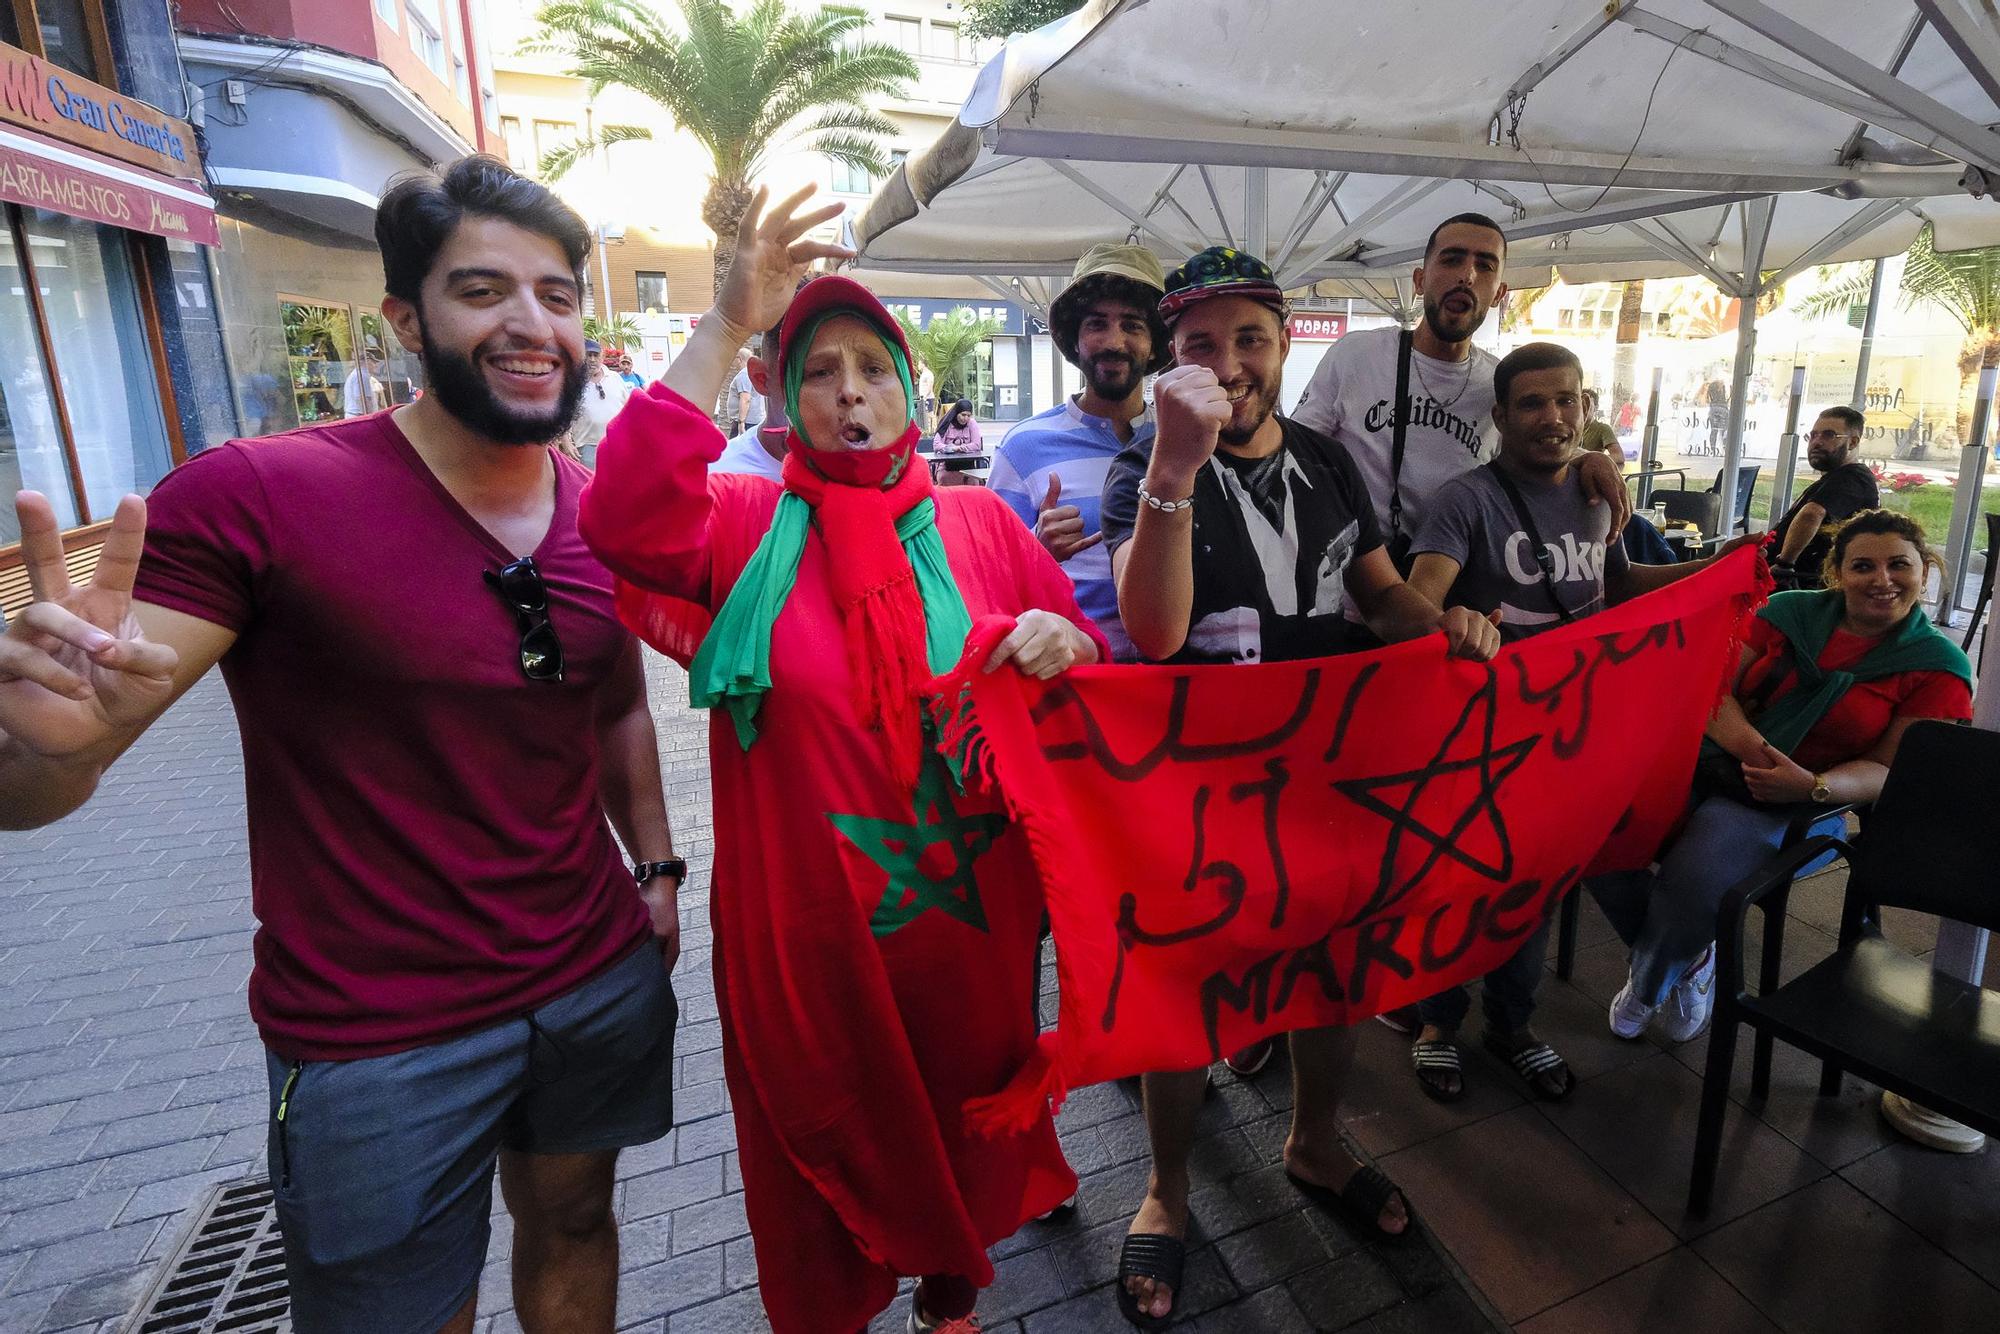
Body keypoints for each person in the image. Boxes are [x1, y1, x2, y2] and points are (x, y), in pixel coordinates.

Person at [0, 155, 681, 1334]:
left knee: (575, 1226)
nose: (531, 324)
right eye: (483, 290)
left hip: (590, 979)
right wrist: (46, 745)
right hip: (377, 1035)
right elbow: (46, 776)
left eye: (558, 295)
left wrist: (658, 869)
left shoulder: (593, 509)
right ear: (405, 318)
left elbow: (615, 703)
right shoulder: (258, 496)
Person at [578, 185, 1103, 1334]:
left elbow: (1080, 672)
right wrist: (722, 325)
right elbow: (618, 517)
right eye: (820, 368)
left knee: (962, 1118)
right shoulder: (736, 526)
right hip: (806, 934)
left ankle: (951, 1299)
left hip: (969, 930)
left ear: (908, 390)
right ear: (782, 392)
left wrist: (1068, 638)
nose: (851, 391)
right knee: (812, 1143)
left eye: (873, 366)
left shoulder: (984, 528)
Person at [1100, 245, 1501, 1329]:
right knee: (1189, 994)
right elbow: (1155, 632)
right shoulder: (1141, 466)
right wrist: (1174, 470)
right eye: (1196, 345)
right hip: (1198, 793)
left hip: (1332, 780)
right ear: (1165, 358)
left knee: (1336, 972)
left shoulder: (1327, 461)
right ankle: (1166, 1188)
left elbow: (1375, 593)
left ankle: (1314, 1141)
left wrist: (1447, 625)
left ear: (1282, 349)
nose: (1226, 364)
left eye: (1248, 341)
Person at [1404, 342, 1729, 1101]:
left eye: (1566, 401)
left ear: (1585, 410)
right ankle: (1436, 1024)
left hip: (1566, 740)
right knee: (1456, 884)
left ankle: (1512, 1025)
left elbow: (1618, 590)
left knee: (1537, 888)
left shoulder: (1596, 497)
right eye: (1531, 403)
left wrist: (1721, 567)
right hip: (1476, 742)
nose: (1551, 417)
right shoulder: (1467, 499)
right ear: (1501, 416)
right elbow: (1420, 595)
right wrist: (1446, 616)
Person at [1594, 508, 1972, 1044]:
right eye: (1863, 566)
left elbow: (1889, 772)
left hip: (1808, 804)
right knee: (1592, 832)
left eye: (1899, 566)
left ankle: (1652, 983)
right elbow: (1710, 690)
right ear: (1838, 573)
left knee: (1697, 880)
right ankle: (1695, 957)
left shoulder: (1937, 667)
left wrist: (1812, 787)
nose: (1882, 580)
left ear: (1925, 571)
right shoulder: (1786, 613)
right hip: (1716, 758)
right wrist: (1761, 754)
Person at [1291, 212, 1627, 578]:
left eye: (1485, 266)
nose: (1467, 275)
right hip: (1351, 589)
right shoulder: (1357, 355)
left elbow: (1532, 445)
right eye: (1452, 259)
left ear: (1500, 293)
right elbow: (1297, 454)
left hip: (1455, 593)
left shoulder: (1499, 382)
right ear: (1420, 280)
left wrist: (1588, 458)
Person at [990, 243, 1171, 662]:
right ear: (1076, 338)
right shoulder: (1023, 448)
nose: (1114, 341)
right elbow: (989, 583)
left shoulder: (1183, 443)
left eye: (1132, 325)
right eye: (1096, 324)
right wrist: (1036, 551)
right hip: (1073, 689)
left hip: (1174, 686)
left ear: (1156, 342)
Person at [1768, 406, 1877, 589]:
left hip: (1801, 586)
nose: (1817, 442)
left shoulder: (1853, 477)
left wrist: (1784, 564)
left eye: (1829, 435)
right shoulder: (1835, 478)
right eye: (1813, 435)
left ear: (1852, 443)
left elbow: (1811, 514)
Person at [710, 320, 788, 485]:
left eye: (859, 369)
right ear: (762, 378)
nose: (850, 390)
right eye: (820, 372)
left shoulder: (851, 472)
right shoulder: (719, 476)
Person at [571, 337, 634, 467]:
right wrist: (566, 441)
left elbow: (629, 407)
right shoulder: (573, 382)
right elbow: (565, 414)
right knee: (590, 482)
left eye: (596, 355)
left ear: (602, 357)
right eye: (589, 355)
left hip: (617, 441)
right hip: (587, 446)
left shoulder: (615, 378)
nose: (592, 359)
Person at [1576, 387, 1621, 466]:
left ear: (1596, 408)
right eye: (1580, 404)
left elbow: (1618, 456)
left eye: (1588, 404)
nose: (1583, 408)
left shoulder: (1602, 428)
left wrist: (1590, 461)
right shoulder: (1571, 428)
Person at [342, 345, 387, 417]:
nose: (376, 365)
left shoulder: (360, 374)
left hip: (357, 416)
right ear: (367, 362)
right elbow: (361, 399)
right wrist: (370, 417)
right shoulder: (362, 375)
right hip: (359, 416)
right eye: (374, 362)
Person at [732, 349, 764, 434]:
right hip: (755, 420)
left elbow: (745, 399)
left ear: (739, 359)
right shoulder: (753, 372)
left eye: (734, 358)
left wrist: (741, 422)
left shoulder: (744, 374)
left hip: (747, 422)